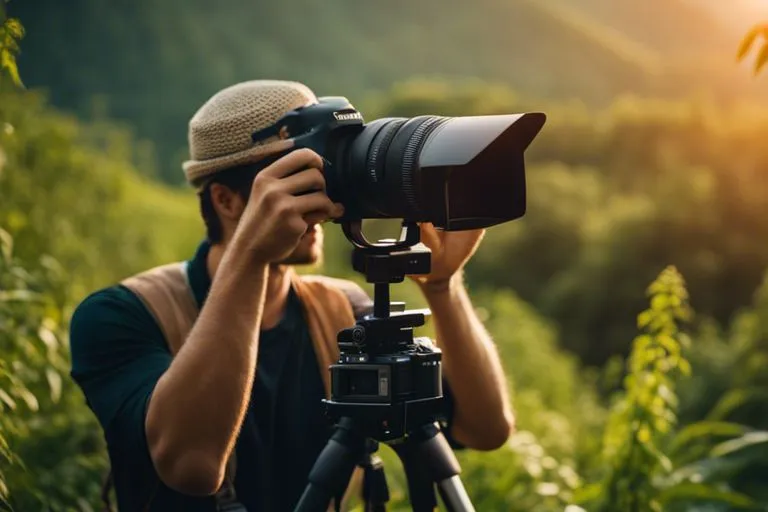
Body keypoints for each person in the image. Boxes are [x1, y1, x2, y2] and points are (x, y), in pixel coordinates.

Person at [69, 80, 515, 512]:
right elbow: (192, 467)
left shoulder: (341, 310)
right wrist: (251, 255)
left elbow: (484, 429)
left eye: (327, 168)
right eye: (298, 174)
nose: (324, 194)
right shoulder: (122, 314)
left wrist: (441, 286)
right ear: (225, 200)